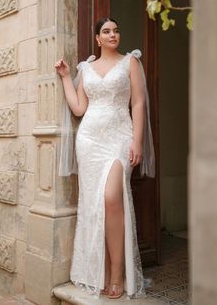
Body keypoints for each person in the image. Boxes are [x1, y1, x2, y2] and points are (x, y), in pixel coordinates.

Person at [55, 17, 155, 299]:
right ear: (97, 39)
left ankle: (116, 273)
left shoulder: (130, 62)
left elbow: (138, 102)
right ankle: (96, 272)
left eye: (116, 30)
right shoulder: (85, 68)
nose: (113, 35)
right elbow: (78, 108)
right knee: (95, 204)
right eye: (106, 31)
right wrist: (65, 77)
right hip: (88, 141)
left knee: (112, 198)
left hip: (120, 138)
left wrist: (136, 140)